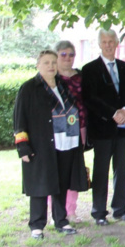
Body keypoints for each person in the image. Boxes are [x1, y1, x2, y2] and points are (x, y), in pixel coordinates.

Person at [14, 50, 87, 239]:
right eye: (46, 62)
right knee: (40, 184)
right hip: (41, 144)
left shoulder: (63, 86)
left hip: (66, 143)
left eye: (54, 62)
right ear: (38, 65)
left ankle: (61, 221)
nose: (51, 66)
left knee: (61, 184)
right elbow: (19, 119)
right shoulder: (29, 88)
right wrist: (23, 146)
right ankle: (37, 225)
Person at [82, 29, 125, 226]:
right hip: (102, 129)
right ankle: (99, 212)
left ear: (117, 44)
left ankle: (120, 209)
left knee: (121, 169)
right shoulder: (89, 69)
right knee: (101, 170)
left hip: (123, 129)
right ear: (99, 44)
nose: (108, 45)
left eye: (111, 41)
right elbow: (90, 98)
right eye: (104, 42)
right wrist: (112, 113)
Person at [47, 41, 86, 223]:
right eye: (63, 54)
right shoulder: (50, 79)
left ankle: (71, 210)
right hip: (56, 132)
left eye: (71, 54)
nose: (67, 58)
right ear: (56, 56)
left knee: (74, 171)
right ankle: (57, 212)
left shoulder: (81, 77)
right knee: (55, 171)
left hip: (79, 130)